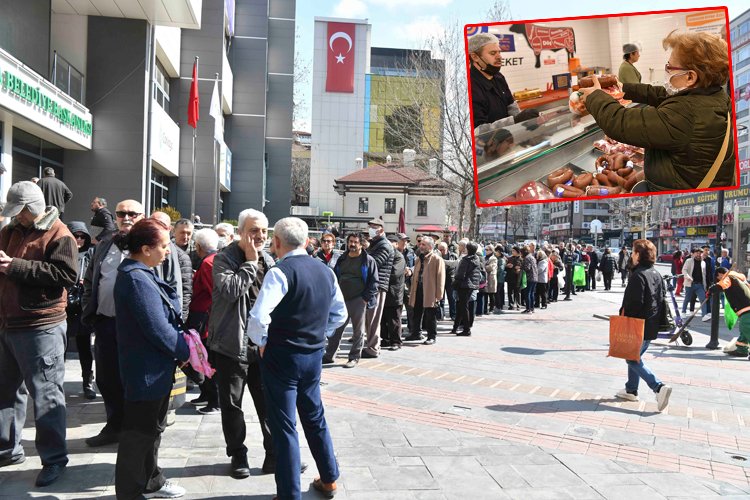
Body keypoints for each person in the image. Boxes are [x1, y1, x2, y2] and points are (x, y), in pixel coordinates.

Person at [245, 217, 346, 500]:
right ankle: (329, 478)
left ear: (276, 242)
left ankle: (289, 494)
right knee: (314, 416)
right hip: (312, 355)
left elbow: (258, 317)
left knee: (285, 425)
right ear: (305, 241)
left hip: (283, 356)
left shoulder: (280, 272)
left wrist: (262, 343)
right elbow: (340, 314)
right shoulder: (326, 272)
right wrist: (319, 334)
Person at [579, 31, 735, 191]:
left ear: (690, 77)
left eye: (670, 67)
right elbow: (660, 94)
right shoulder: (715, 96)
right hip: (689, 178)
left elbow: (619, 122)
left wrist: (594, 97)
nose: (666, 70)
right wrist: (622, 88)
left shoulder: (686, 113)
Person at [0, 181, 77, 487]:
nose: (16, 218)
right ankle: (8, 448)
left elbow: (66, 276)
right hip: (8, 323)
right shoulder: (8, 231)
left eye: (19, 212)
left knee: (45, 395)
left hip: (40, 326)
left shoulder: (59, 233)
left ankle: (55, 459)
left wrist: (14, 266)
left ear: (33, 209)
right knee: (6, 392)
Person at [113, 218, 190, 499]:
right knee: (138, 437)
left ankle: (152, 481)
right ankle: (130, 492)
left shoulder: (141, 272)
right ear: (145, 249)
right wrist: (186, 352)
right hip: (145, 372)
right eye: (164, 245)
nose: (168, 251)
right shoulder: (136, 279)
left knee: (150, 432)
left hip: (153, 370)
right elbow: (158, 329)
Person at [207, 208, 281, 479]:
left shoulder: (270, 260)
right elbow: (230, 291)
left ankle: (273, 453)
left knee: (268, 404)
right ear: (240, 232)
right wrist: (250, 262)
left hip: (263, 346)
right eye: (254, 230)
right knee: (232, 405)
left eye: (264, 230)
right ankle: (238, 453)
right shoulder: (224, 259)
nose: (260, 236)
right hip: (231, 345)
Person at [82, 199, 145, 448]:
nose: (126, 217)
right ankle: (114, 425)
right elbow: (91, 279)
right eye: (121, 213)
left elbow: (173, 285)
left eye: (132, 213)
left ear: (142, 216)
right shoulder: (105, 244)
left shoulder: (151, 244)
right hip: (106, 323)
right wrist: (91, 311)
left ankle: (136, 429)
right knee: (107, 378)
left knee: (135, 378)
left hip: (138, 328)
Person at [615, 239, 672, 412]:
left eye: (633, 252)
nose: (631, 255)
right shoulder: (655, 273)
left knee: (632, 358)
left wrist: (623, 318)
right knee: (634, 356)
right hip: (651, 325)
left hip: (637, 325)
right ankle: (631, 390)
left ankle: (658, 387)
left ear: (638, 255)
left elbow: (633, 304)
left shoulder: (638, 275)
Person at [324, 233, 378, 367]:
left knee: (358, 331)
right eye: (350, 242)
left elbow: (374, 281)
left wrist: (365, 298)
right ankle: (329, 355)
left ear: (361, 244)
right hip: (341, 299)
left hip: (358, 299)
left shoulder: (368, 260)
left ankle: (354, 357)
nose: (352, 244)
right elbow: (336, 276)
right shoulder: (342, 258)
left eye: (355, 242)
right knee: (336, 328)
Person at [467, 33, 538, 128]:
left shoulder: (499, 77)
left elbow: (511, 106)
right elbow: (478, 130)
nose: (499, 57)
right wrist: (515, 120)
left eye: (499, 52)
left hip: (508, 138)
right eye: (493, 53)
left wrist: (522, 124)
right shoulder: (471, 87)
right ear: (475, 57)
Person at [186, 228, 220, 415]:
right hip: (203, 316)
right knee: (202, 356)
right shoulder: (212, 261)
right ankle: (207, 394)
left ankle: (214, 400)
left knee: (205, 358)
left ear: (198, 246)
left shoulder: (208, 263)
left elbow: (213, 292)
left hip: (204, 318)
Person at [66, 221, 97, 399]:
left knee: (84, 347)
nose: (78, 239)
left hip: (82, 307)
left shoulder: (91, 253)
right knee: (59, 348)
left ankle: (87, 382)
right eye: (75, 235)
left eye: (82, 236)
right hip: (65, 308)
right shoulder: (61, 251)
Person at [363, 218, 394, 357]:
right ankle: (370, 345)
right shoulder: (375, 244)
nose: (370, 229)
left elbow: (374, 263)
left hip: (378, 286)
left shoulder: (384, 245)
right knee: (369, 318)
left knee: (374, 318)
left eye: (373, 227)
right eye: (370, 227)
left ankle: (373, 348)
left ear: (381, 229)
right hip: (372, 285)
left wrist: (362, 255)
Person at [409, 237, 445, 345]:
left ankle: (431, 336)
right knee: (416, 313)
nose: (421, 246)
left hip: (430, 291)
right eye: (420, 244)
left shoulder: (437, 259)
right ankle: (416, 333)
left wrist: (439, 295)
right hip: (418, 289)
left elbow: (441, 278)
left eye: (424, 245)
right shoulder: (418, 259)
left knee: (430, 315)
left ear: (430, 247)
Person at [714, 267, 750, 357]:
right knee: (744, 330)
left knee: (746, 327)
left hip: (746, 308)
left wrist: (713, 288)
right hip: (746, 307)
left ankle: (743, 350)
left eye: (717, 278)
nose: (718, 280)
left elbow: (723, 284)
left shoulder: (728, 277)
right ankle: (742, 350)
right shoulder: (739, 277)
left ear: (720, 274)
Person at [452, 242, 482, 336]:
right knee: (462, 307)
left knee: (463, 307)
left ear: (468, 249)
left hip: (464, 285)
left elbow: (461, 274)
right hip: (471, 285)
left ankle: (466, 329)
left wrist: (455, 281)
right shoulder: (477, 259)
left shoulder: (466, 260)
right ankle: (456, 327)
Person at [381, 235, 406, 351]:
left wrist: (381, 276)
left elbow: (395, 274)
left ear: (397, 244)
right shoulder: (384, 254)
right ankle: (385, 339)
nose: (390, 244)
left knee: (394, 318)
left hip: (394, 292)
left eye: (392, 242)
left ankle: (396, 341)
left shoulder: (398, 257)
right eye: (388, 242)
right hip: (383, 291)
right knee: (383, 318)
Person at [682, 247, 710, 320]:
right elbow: (684, 270)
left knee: (703, 299)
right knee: (687, 298)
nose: (698, 255)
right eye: (697, 253)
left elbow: (704, 274)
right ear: (694, 254)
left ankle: (704, 315)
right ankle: (683, 312)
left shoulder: (703, 262)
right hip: (690, 283)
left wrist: (705, 285)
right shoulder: (689, 261)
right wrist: (688, 277)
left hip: (700, 284)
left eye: (700, 253)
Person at [521, 245, 538, 314]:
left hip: (529, 277)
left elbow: (527, 268)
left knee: (527, 293)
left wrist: (521, 268)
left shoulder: (527, 258)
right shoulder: (532, 257)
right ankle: (532, 308)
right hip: (535, 277)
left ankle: (528, 309)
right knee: (531, 293)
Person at [484, 245, 498, 313]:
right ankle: (485, 308)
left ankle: (492, 308)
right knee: (485, 293)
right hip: (485, 277)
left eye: (487, 249)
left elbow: (491, 267)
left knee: (491, 294)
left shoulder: (493, 258)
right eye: (485, 249)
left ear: (491, 250)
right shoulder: (484, 257)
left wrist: (484, 267)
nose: (486, 251)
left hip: (491, 277)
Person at [494, 247, 507, 313]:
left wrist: (495, 271)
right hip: (500, 278)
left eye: (496, 251)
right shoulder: (499, 259)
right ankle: (500, 306)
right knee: (500, 292)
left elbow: (501, 269)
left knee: (498, 293)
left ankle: (499, 306)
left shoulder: (501, 260)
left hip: (499, 279)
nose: (495, 253)